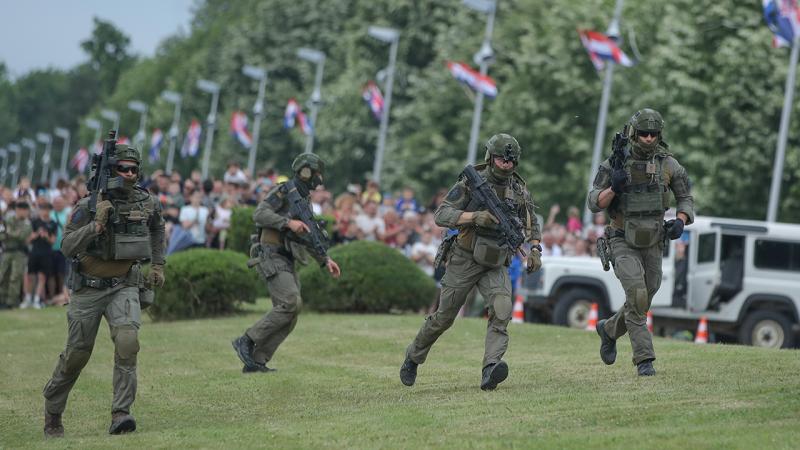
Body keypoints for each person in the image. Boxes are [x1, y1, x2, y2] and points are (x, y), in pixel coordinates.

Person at [400, 133, 542, 391]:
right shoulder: (470, 183)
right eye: (501, 159)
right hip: (464, 257)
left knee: (502, 309)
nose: (506, 165)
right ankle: (413, 356)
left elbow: (532, 223)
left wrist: (535, 250)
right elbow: (441, 214)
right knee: (444, 317)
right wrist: (474, 216)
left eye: (510, 161)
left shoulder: (519, 190)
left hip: (496, 261)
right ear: (490, 157)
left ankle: (490, 369)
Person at [42, 144, 165, 437]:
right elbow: (67, 246)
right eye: (123, 168)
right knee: (77, 355)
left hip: (124, 284)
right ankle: (53, 412)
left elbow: (157, 228)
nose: (130, 174)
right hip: (88, 289)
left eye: (134, 169)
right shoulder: (88, 206)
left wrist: (158, 265)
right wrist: (96, 226)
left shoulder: (147, 202)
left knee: (128, 342)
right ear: (111, 171)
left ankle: (121, 413)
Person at [588, 109, 694, 376]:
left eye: (653, 134)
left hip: (654, 240)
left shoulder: (668, 164)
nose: (648, 139)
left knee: (648, 292)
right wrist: (614, 187)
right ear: (635, 133)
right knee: (636, 294)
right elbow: (593, 202)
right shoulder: (615, 164)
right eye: (644, 133)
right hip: (622, 239)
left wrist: (680, 221)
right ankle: (644, 359)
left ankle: (609, 329)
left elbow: (685, 198)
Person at [232, 153, 341, 373]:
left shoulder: (304, 200)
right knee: (291, 302)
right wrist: (287, 222)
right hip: (271, 254)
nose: (319, 178)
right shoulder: (284, 190)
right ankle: (247, 340)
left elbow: (308, 236)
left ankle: (257, 360)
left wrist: (325, 260)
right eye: (317, 172)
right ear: (306, 171)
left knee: (292, 311)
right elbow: (259, 214)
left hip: (287, 258)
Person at [22, 202, 57, 309]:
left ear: (49, 210)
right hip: (34, 252)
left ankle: (37, 300)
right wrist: (37, 234)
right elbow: (28, 240)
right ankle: (27, 299)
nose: (44, 211)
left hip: (46, 253)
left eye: (46, 209)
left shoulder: (53, 223)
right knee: (29, 276)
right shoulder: (34, 222)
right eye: (42, 209)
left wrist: (46, 236)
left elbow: (53, 241)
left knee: (42, 277)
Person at [0, 202, 33, 309]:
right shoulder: (7, 220)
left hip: (19, 253)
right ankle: (2, 300)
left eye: (24, 210)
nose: (22, 212)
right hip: (6, 251)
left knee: (15, 277)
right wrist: (13, 233)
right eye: (20, 209)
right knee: (3, 275)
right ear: (17, 210)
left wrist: (9, 233)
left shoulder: (27, 223)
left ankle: (11, 302)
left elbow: (23, 236)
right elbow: (1, 235)